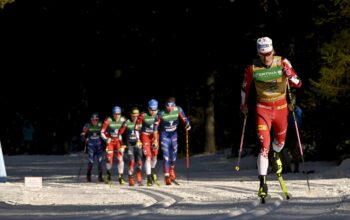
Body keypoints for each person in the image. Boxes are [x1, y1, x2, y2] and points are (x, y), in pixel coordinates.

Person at [240, 37, 302, 199]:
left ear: (272, 50)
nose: (266, 58)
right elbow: (244, 89)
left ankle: (276, 154)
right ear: (258, 53)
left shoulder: (282, 62)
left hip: (281, 109)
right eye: (263, 55)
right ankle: (263, 183)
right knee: (264, 146)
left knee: (280, 143)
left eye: (268, 53)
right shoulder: (252, 68)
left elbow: (298, 83)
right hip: (263, 110)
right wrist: (243, 105)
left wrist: (289, 75)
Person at [154, 97, 191, 185]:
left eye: (172, 106)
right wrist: (155, 139)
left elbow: (185, 119)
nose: (170, 108)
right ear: (165, 106)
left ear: (174, 105)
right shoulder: (161, 113)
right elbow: (155, 127)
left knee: (174, 155)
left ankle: (171, 170)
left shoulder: (178, 110)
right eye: (168, 106)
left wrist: (188, 125)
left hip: (173, 135)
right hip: (164, 136)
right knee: (166, 156)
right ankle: (167, 176)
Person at [135, 99, 160, 186]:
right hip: (145, 136)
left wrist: (156, 139)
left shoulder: (159, 114)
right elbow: (136, 128)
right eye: (151, 109)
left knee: (155, 156)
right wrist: (138, 139)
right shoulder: (143, 115)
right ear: (148, 108)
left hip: (154, 136)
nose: (153, 112)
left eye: (154, 109)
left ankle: (153, 170)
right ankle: (149, 177)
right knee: (148, 156)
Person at [101, 106, 126, 184]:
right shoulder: (108, 120)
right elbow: (102, 132)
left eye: (119, 114)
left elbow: (128, 130)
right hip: (110, 142)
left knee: (120, 158)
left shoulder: (123, 119)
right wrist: (105, 139)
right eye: (115, 114)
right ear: (113, 114)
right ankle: (108, 174)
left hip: (118, 141)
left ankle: (120, 177)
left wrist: (123, 142)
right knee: (109, 159)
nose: (117, 116)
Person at [118, 107, 143, 186]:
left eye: (136, 116)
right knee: (131, 161)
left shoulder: (140, 122)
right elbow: (120, 133)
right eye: (133, 116)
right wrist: (122, 144)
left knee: (139, 162)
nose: (135, 117)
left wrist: (142, 141)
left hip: (138, 144)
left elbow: (145, 132)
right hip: (129, 145)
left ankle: (138, 175)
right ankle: (130, 176)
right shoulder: (127, 122)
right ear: (131, 115)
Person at [80, 113, 104, 182]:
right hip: (91, 146)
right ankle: (88, 175)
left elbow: (105, 132)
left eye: (96, 120)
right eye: (93, 120)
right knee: (91, 161)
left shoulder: (100, 124)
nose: (94, 121)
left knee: (100, 161)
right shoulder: (87, 125)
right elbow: (82, 134)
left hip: (99, 146)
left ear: (98, 120)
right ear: (91, 120)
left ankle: (100, 176)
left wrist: (105, 140)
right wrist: (85, 139)